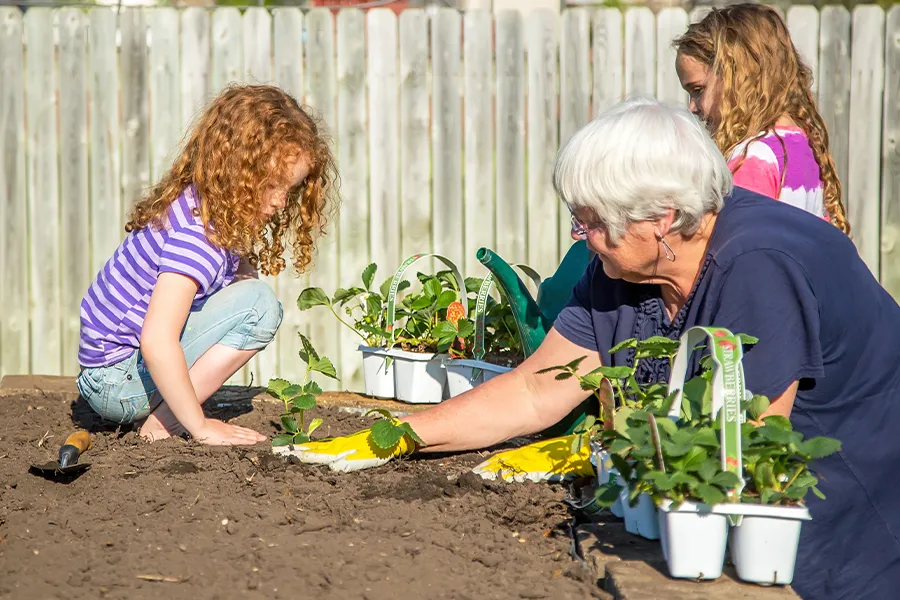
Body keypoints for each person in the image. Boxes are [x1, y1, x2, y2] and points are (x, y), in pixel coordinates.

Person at [283, 96, 900, 599]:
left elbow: (752, 437)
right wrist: (405, 434)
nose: (584, 237)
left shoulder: (759, 263)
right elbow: (535, 388)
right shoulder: (627, 267)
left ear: (662, 217)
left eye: (592, 221)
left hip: (853, 516)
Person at [76, 84, 338, 446]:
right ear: (238, 170)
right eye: (273, 185)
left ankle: (173, 408)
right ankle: (167, 422)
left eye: (289, 190)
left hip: (107, 373)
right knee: (260, 307)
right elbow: (155, 340)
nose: (281, 201)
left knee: (249, 291)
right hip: (117, 382)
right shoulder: (197, 237)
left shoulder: (201, 206)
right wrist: (199, 425)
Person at [673, 3, 850, 234]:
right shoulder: (801, 144)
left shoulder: (755, 158)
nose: (692, 107)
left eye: (698, 90)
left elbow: (738, 251)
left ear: (738, 79)